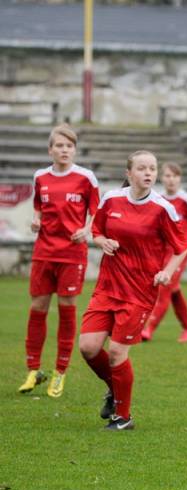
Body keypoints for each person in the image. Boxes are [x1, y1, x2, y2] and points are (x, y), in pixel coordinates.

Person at [78, 151, 187, 430]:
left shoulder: (163, 208)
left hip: (139, 292)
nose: (148, 173)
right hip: (107, 287)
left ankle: (123, 418)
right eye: (142, 168)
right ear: (129, 173)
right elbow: (96, 231)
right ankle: (114, 388)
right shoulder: (111, 199)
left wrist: (167, 271)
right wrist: (102, 241)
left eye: (152, 168)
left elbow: (181, 247)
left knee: (116, 352)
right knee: (88, 348)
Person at [18, 123, 100, 398]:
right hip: (44, 251)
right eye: (59, 145)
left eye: (69, 146)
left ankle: (60, 371)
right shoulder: (40, 176)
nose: (65, 150)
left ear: (74, 150)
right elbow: (38, 207)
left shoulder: (86, 177)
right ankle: (33, 369)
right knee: (37, 307)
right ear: (50, 150)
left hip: (72, 254)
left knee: (67, 308)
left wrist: (87, 230)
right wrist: (36, 221)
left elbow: (96, 210)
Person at [141, 162, 187, 342]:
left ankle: (148, 329)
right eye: (167, 176)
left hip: (179, 254)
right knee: (173, 290)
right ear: (162, 178)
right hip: (161, 254)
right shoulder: (158, 199)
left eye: (175, 176)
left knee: (164, 288)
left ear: (180, 178)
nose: (171, 180)